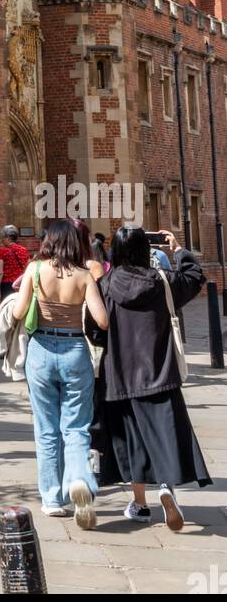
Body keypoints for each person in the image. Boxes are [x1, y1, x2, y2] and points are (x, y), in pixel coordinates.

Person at [91, 225, 210, 530]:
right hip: (160, 371)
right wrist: (179, 249)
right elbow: (195, 278)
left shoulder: (105, 284)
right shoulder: (161, 281)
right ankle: (167, 488)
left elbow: (94, 329)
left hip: (119, 374)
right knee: (164, 434)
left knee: (133, 441)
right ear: (146, 249)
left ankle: (140, 505)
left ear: (114, 250)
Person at [12, 220, 108, 526]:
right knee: (77, 426)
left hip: (40, 349)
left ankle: (52, 499)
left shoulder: (35, 269)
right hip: (74, 350)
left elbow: (18, 312)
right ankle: (79, 479)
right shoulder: (83, 275)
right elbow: (103, 321)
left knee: (46, 428)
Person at [0, 224, 30, 302]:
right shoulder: (24, 250)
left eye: (3, 237)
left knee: (7, 310)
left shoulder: (1, 251)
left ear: (8, 238)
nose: (2, 240)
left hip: (7, 285)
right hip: (21, 284)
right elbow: (27, 270)